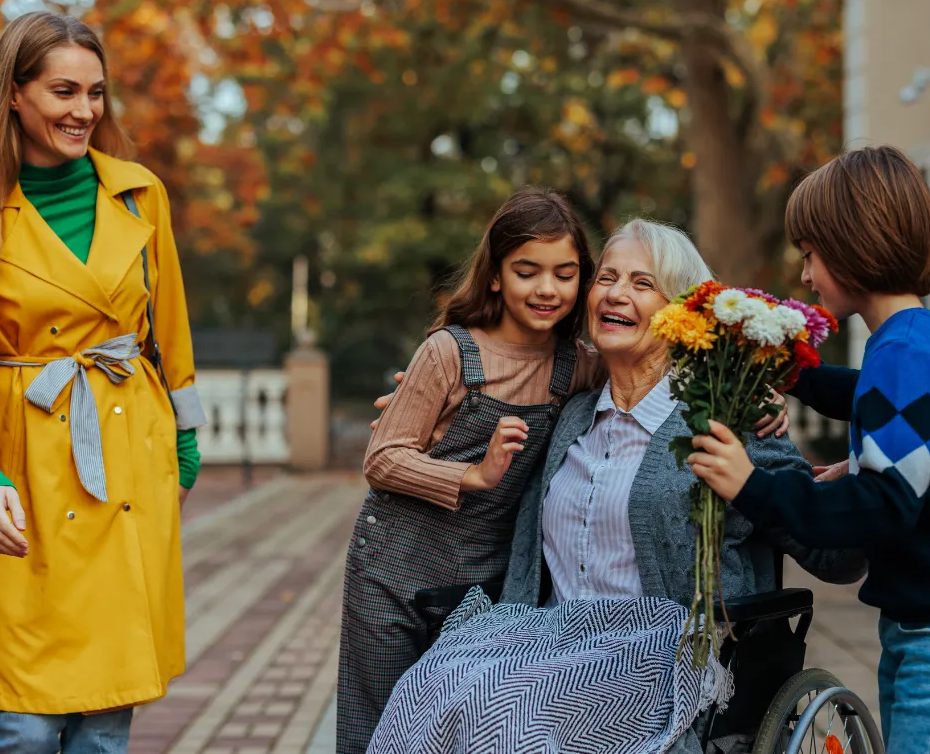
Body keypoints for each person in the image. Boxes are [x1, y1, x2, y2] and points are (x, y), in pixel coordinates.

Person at [366, 220, 865, 754]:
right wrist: (432, 410)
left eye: (642, 283)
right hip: (549, 643)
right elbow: (496, 402)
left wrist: (869, 477)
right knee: (430, 685)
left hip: (660, 658)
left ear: (682, 315)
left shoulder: (725, 421)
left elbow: (835, 556)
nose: (616, 293)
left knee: (499, 703)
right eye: (606, 278)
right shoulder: (571, 414)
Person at [0, 11, 206, 753]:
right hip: (24, 465)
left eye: (96, 93)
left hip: (128, 459)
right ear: (13, 94)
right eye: (63, 91)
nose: (84, 111)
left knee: (107, 718)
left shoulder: (140, 195)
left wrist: (187, 434)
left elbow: (169, 330)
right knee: (23, 724)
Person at [687, 146, 930, 753]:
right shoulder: (909, 339)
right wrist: (796, 375)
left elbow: (883, 506)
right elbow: (873, 400)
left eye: (811, 255)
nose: (805, 274)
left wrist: (754, 487)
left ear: (854, 246)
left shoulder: (905, 352)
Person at [337, 188, 610, 754]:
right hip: (391, 573)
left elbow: (648, 377)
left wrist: (754, 403)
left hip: (483, 586)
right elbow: (382, 459)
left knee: (459, 731)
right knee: (378, 732)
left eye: (565, 274)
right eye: (526, 271)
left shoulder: (579, 365)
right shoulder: (448, 352)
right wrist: (474, 476)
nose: (546, 289)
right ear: (494, 276)